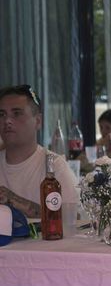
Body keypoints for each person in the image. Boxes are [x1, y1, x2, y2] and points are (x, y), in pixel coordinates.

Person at [0, 84, 79, 217]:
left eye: (17, 113)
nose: (7, 121)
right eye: (2, 114)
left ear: (38, 121)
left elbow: (74, 219)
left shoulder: (54, 166)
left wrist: (16, 201)